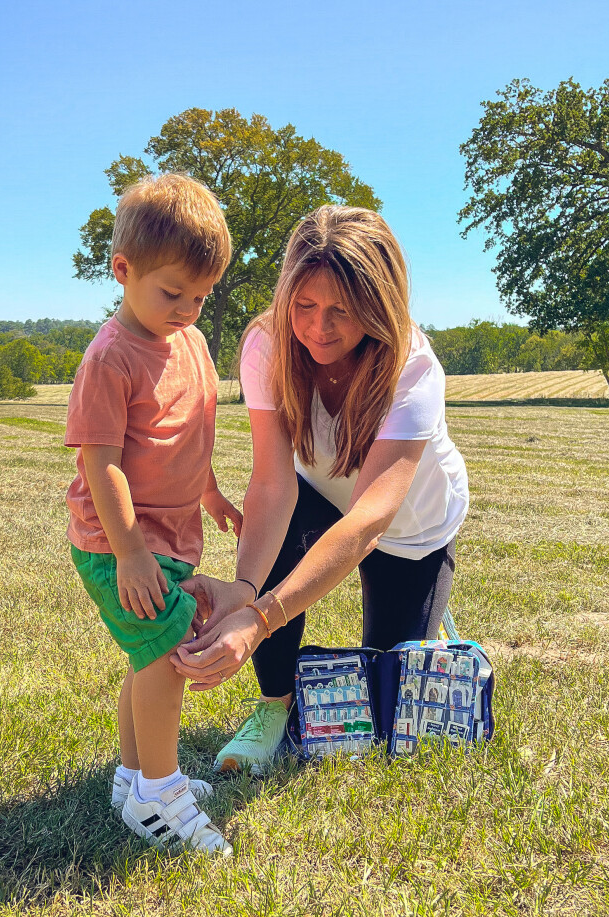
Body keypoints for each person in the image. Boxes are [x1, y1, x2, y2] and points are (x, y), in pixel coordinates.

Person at [171, 205, 469, 773]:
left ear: (378, 304)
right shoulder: (266, 345)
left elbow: (368, 521)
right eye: (303, 305)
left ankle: (429, 618)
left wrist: (259, 619)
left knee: (390, 712)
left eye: (342, 309)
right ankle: (274, 706)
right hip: (317, 495)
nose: (319, 328)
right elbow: (271, 482)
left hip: (408, 527)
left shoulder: (413, 367)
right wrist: (244, 588)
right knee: (278, 538)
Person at [65, 174, 242, 855]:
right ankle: (159, 796)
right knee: (169, 654)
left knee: (148, 657)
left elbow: (184, 434)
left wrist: (211, 492)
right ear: (123, 270)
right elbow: (102, 463)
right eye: (173, 293)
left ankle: (132, 776)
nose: (189, 309)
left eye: (201, 296)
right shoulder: (110, 358)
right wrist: (131, 552)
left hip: (172, 534)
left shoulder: (191, 343)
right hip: (119, 542)